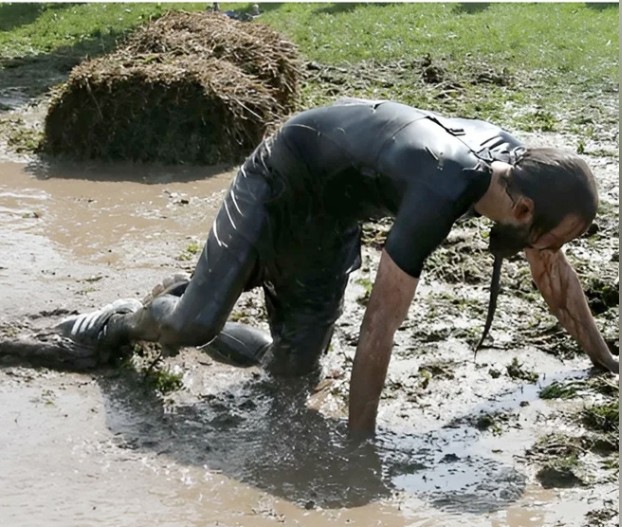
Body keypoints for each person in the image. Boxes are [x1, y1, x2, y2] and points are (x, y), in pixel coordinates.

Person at [55, 98, 619, 438]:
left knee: (294, 369)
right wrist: (358, 447)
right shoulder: (441, 188)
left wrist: (605, 360)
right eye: (553, 237)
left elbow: (552, 272)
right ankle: (132, 315)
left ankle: (192, 292)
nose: (550, 251)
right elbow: (380, 325)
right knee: (190, 328)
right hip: (277, 181)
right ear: (522, 211)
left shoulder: (525, 176)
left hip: (331, 217)